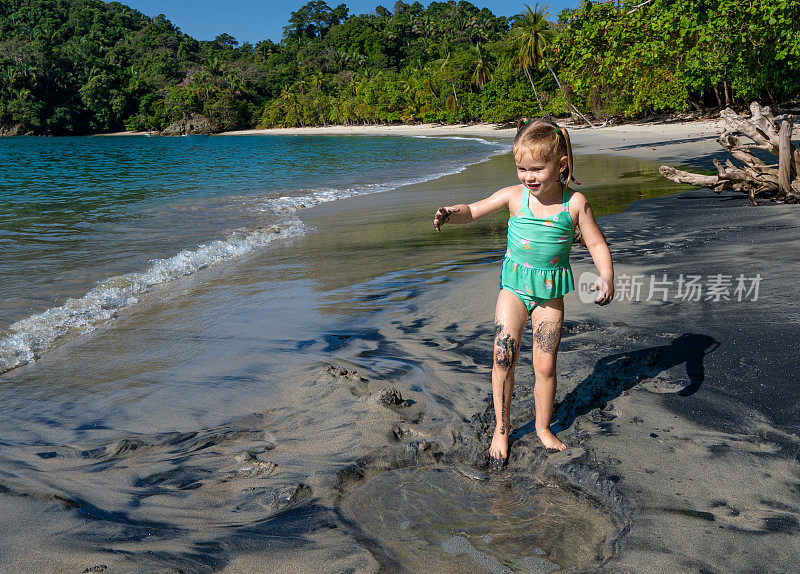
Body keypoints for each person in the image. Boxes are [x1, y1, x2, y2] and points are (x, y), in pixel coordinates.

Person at [433, 118, 614, 465]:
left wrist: (606, 275)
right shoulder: (514, 197)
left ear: (560, 165)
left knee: (545, 365)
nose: (528, 176)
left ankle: (543, 427)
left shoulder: (574, 203)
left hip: (550, 293)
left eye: (536, 168)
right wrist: (449, 213)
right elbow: (473, 211)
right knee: (504, 356)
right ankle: (502, 428)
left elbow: (594, 241)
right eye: (521, 168)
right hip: (514, 288)